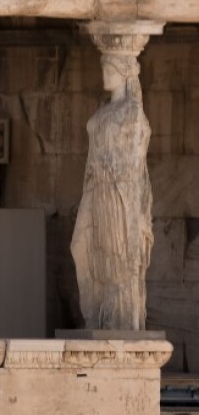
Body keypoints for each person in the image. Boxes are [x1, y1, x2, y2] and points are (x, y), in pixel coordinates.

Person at [71, 52, 153, 330]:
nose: (105, 73)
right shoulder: (103, 110)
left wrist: (112, 172)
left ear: (125, 72)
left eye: (111, 68)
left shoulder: (132, 112)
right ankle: (96, 314)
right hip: (96, 188)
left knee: (117, 258)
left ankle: (116, 319)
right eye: (104, 67)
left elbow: (136, 159)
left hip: (119, 195)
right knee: (80, 245)